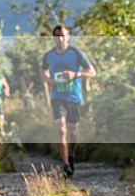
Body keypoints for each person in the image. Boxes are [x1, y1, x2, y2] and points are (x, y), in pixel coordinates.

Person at [41, 25, 96, 178]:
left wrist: (75, 74)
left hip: (74, 97)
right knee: (61, 129)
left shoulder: (76, 53)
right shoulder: (49, 55)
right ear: (54, 38)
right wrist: (48, 80)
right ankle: (65, 165)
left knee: (73, 132)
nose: (60, 39)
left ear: (68, 36)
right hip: (57, 97)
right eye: (57, 36)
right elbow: (43, 71)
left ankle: (71, 156)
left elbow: (92, 72)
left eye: (63, 35)